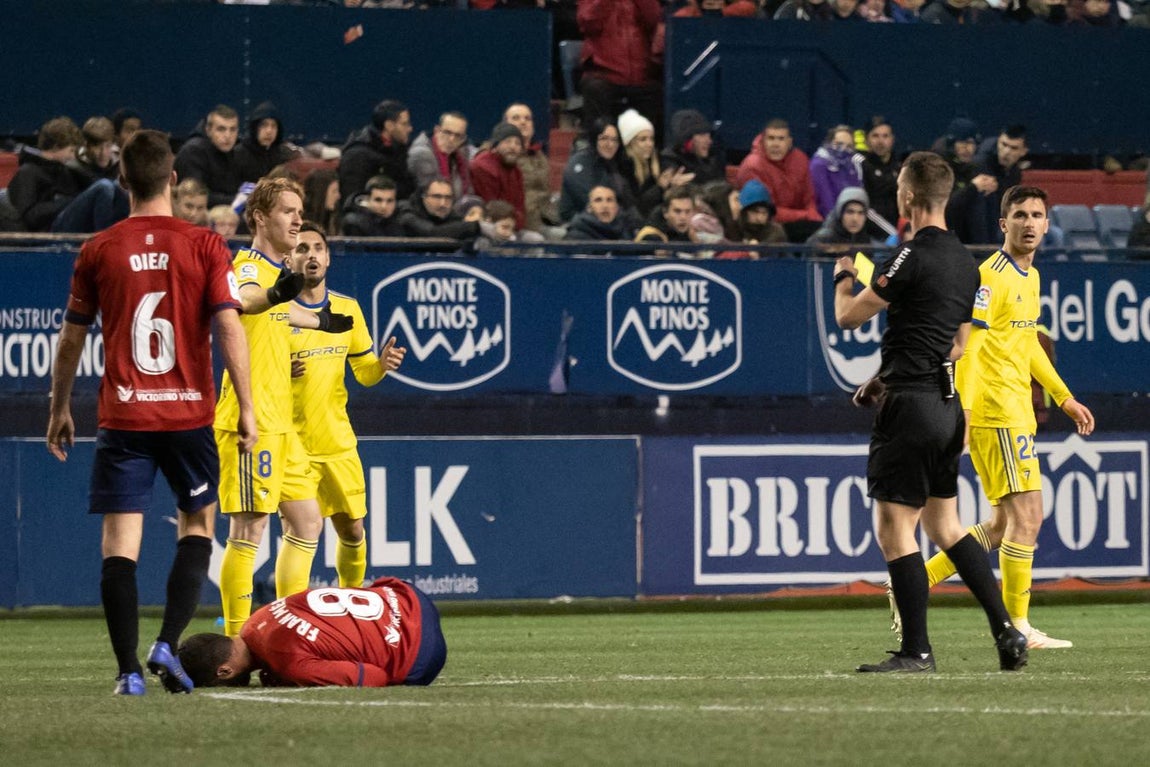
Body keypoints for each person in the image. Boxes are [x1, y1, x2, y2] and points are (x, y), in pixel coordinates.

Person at [46, 129, 257, 695]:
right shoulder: (206, 245)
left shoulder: (99, 248)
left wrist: (59, 406)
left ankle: (127, 673)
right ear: (171, 179)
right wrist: (248, 407)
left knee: (120, 544)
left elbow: (70, 339)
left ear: (121, 181)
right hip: (189, 415)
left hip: (124, 418)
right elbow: (229, 325)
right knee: (198, 526)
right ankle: (167, 640)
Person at [833, 151, 1028, 673]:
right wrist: (883, 376)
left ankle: (916, 649)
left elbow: (850, 318)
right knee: (946, 524)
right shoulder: (968, 262)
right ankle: (1007, 631)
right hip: (947, 406)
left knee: (895, 528)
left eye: (899, 186)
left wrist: (843, 275)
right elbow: (958, 345)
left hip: (912, 406)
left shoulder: (907, 255)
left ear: (909, 197)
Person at [910, 186, 1096, 649]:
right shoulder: (990, 278)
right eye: (1020, 215)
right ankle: (1018, 626)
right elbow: (967, 349)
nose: (1029, 223)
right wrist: (967, 413)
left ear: (1048, 224)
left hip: (1017, 410)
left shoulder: (1029, 277)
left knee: (999, 525)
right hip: (996, 412)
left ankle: (908, 583)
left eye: (1037, 215)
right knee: (1028, 517)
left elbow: (1028, 344)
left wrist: (1064, 396)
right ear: (1003, 224)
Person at [214, 176, 354, 639]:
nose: (298, 219)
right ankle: (238, 640)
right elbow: (248, 300)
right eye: (288, 212)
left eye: (300, 210)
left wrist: (319, 320)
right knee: (248, 529)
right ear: (259, 218)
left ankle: (285, 628)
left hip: (283, 423)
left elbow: (277, 312)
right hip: (249, 420)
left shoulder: (276, 271)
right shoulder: (249, 265)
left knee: (308, 521)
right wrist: (280, 292)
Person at [288, 223, 406, 589]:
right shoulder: (273, 311)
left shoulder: (347, 309)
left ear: (328, 258)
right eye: (302, 248)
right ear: (288, 258)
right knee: (301, 532)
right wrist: (278, 370)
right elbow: (249, 369)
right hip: (290, 442)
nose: (311, 255)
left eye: (318, 248)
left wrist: (381, 367)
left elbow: (364, 373)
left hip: (336, 440)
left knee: (352, 530)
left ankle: (350, 602)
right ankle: (291, 621)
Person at [177, 577, 446, 688]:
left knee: (396, 673)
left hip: (421, 651)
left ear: (224, 671)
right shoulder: (256, 619)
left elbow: (375, 677)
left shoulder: (289, 662)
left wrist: (292, 678)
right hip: (405, 594)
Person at [576, 0, 664, 141]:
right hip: (603, 72)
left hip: (641, 73)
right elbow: (588, 23)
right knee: (595, 89)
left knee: (658, 93)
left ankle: (650, 157)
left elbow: (653, 19)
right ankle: (595, 152)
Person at [735, 118, 822, 242]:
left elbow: (809, 198)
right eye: (771, 138)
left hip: (798, 221)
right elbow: (767, 212)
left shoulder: (800, 159)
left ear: (789, 142)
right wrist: (805, 215)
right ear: (763, 141)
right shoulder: (752, 166)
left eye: (781, 139)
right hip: (764, 226)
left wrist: (813, 214)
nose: (775, 144)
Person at [950, 125, 1029, 245]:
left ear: (1023, 151)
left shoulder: (1015, 173)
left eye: (1013, 148)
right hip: (968, 235)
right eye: (1003, 144)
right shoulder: (979, 165)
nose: (1006, 152)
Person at [8, 116, 85, 232]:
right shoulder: (27, 173)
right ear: (56, 147)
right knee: (103, 187)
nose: (73, 156)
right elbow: (30, 216)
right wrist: (70, 202)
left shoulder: (65, 172)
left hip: (64, 230)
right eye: (71, 150)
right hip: (39, 237)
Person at [339, 99, 416, 206]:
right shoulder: (357, 155)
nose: (410, 129)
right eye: (405, 124)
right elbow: (352, 199)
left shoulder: (402, 149)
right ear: (389, 125)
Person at [559, 119, 630, 223]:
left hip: (609, 222)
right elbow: (594, 203)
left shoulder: (614, 165)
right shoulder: (580, 163)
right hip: (577, 223)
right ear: (594, 139)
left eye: (614, 140)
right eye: (604, 138)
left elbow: (628, 202)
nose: (610, 144)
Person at [173, 105, 244, 210]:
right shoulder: (193, 152)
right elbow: (195, 196)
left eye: (233, 129)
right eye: (221, 129)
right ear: (208, 130)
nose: (228, 135)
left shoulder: (234, 151)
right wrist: (238, 200)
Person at [503, 102, 557, 234]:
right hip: (518, 225)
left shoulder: (539, 155)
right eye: (516, 118)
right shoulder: (500, 156)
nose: (523, 122)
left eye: (527, 118)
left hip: (546, 218)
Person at [470, 122, 528, 232]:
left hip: (511, 225)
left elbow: (521, 208)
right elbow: (492, 208)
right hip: (487, 226)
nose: (513, 147)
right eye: (507, 141)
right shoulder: (482, 167)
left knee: (534, 239)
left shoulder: (516, 171)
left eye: (517, 143)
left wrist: (516, 222)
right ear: (496, 145)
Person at [407, 111, 473, 201]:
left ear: (463, 138)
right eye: (447, 132)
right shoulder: (422, 155)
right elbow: (435, 196)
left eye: (458, 136)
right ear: (437, 130)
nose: (451, 139)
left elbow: (469, 190)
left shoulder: (461, 154)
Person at [234, 101, 299, 184]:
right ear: (254, 128)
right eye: (264, 125)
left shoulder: (286, 156)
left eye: (273, 126)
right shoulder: (238, 154)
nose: (269, 131)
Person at [659, 108, 726, 187]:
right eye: (702, 135)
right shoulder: (669, 159)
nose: (709, 141)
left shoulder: (713, 158)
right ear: (687, 140)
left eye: (709, 135)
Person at [860, 116, 902, 241]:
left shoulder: (901, 168)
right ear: (867, 140)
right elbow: (864, 208)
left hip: (900, 235)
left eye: (885, 136)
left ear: (892, 139)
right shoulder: (861, 166)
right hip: (874, 237)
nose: (880, 141)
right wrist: (894, 234)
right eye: (875, 136)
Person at [810, 124, 865, 219]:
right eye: (839, 144)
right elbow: (826, 202)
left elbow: (857, 197)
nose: (843, 149)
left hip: (851, 219)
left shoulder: (852, 164)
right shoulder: (818, 165)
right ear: (828, 143)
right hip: (828, 222)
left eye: (849, 146)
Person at [806, 187, 879, 252]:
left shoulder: (867, 242)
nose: (855, 219)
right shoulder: (822, 241)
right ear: (840, 214)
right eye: (850, 212)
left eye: (860, 213)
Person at [563, 184, 635, 242]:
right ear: (589, 208)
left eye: (609, 200)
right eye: (598, 200)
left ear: (616, 207)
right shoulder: (575, 238)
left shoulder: (628, 234)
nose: (605, 206)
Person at [737, 179, 787, 246]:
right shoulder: (733, 229)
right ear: (744, 212)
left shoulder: (775, 232)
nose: (759, 218)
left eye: (764, 213)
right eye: (755, 212)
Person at [302, 168, 341, 237]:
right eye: (334, 191)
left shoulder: (333, 220)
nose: (338, 196)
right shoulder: (303, 224)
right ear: (321, 193)